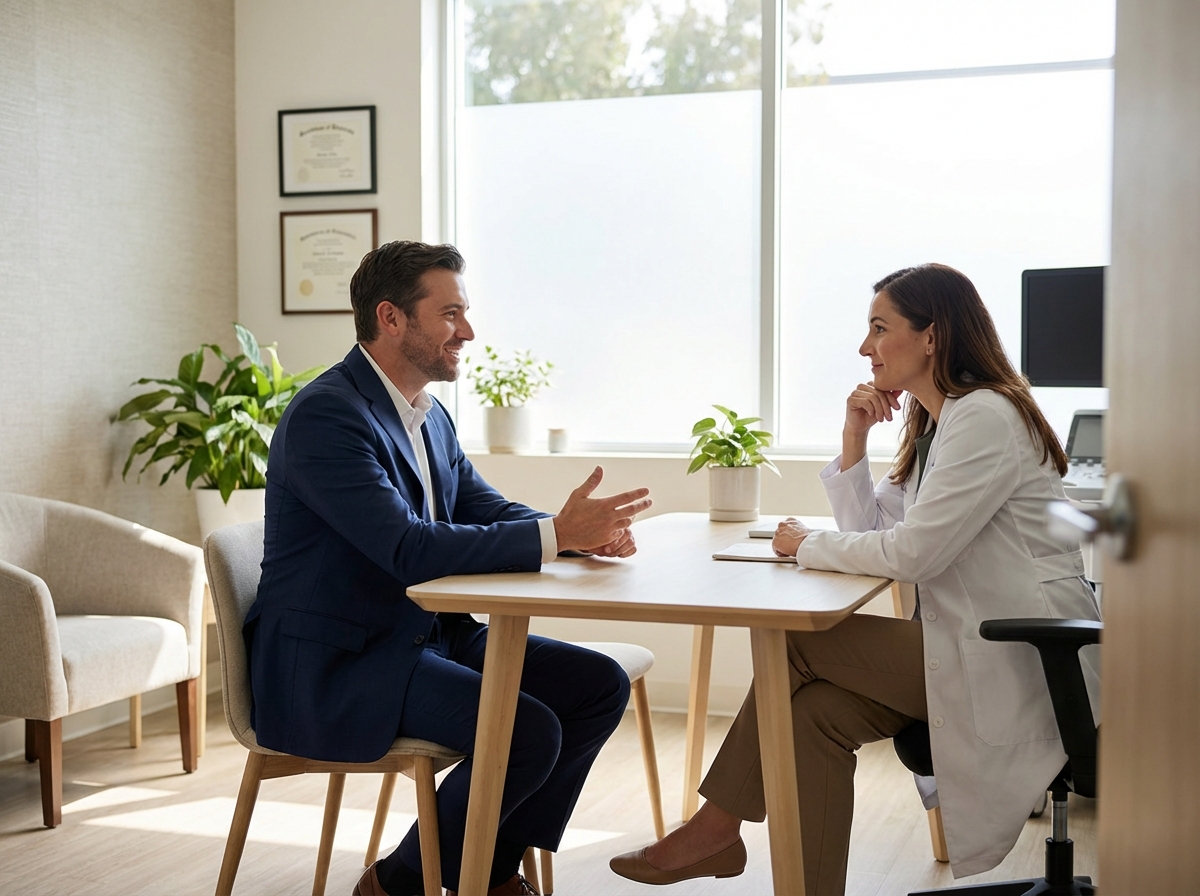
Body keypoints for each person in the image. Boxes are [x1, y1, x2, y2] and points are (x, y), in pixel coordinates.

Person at [610, 263, 1101, 894]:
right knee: (813, 714)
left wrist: (805, 544)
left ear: (933, 336)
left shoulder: (985, 417)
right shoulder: (943, 424)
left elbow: (911, 554)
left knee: (793, 643)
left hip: (1022, 659)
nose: (865, 348)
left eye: (879, 328)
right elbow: (875, 529)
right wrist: (853, 438)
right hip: (973, 647)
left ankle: (714, 828)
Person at [242, 240, 653, 896]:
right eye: (451, 313)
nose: (467, 331)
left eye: (465, 312)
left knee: (596, 685)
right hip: (342, 661)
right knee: (524, 730)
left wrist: (577, 537)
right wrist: (553, 535)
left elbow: (480, 506)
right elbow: (408, 548)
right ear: (391, 318)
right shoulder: (329, 415)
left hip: (425, 636)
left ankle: (486, 874)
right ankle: (398, 884)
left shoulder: (427, 415)